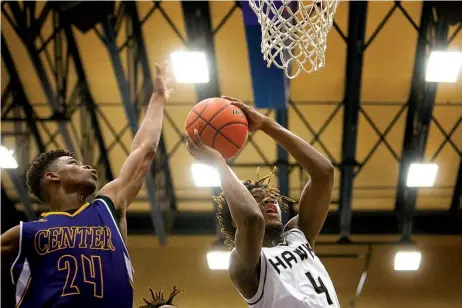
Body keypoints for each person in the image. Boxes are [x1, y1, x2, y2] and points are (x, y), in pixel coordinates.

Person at [0, 62, 170, 308]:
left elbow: (145, 151)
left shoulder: (107, 209)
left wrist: (158, 98)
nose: (89, 167)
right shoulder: (26, 232)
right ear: (52, 177)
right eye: (74, 163)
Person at [185, 96, 340, 308]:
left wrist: (267, 125)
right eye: (257, 199)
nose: (269, 202)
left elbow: (324, 173)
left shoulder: (298, 234)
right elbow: (251, 219)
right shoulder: (243, 265)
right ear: (235, 222)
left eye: (271, 198)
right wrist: (219, 164)